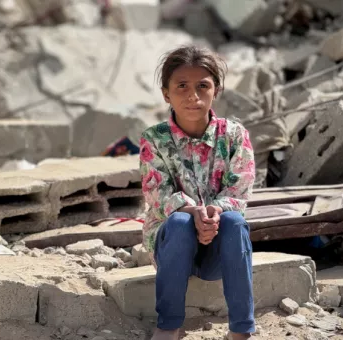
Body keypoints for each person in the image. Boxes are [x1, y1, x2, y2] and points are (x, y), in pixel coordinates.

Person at [139, 45, 257, 340]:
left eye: (202, 86)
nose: (193, 96)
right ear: (167, 94)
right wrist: (192, 212)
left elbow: (240, 188)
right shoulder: (153, 139)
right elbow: (157, 193)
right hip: (172, 246)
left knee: (235, 222)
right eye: (182, 87)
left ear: (216, 90)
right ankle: (168, 326)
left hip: (219, 245)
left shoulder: (233, 136)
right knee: (179, 223)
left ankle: (241, 330)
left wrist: (214, 212)